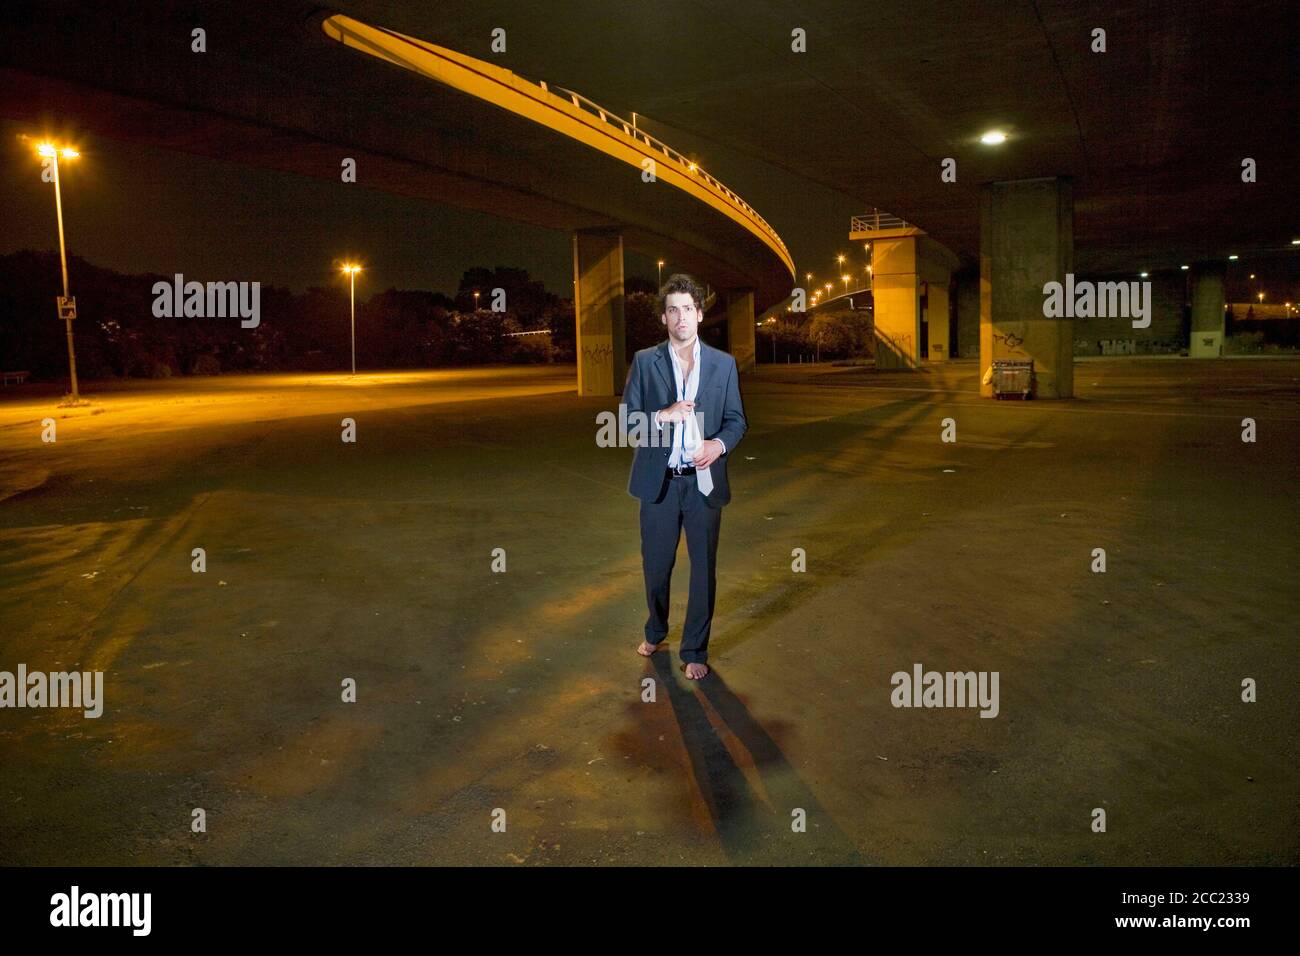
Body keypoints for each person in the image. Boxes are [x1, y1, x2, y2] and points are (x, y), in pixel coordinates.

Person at [622, 273, 748, 679]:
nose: (681, 317)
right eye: (673, 310)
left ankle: (695, 649)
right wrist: (663, 415)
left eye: (688, 309)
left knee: (703, 569)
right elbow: (627, 421)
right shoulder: (646, 361)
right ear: (664, 317)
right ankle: (656, 630)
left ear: (700, 314)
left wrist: (718, 446)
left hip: (703, 483)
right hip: (659, 484)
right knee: (656, 566)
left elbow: (736, 421)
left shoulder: (723, 365)